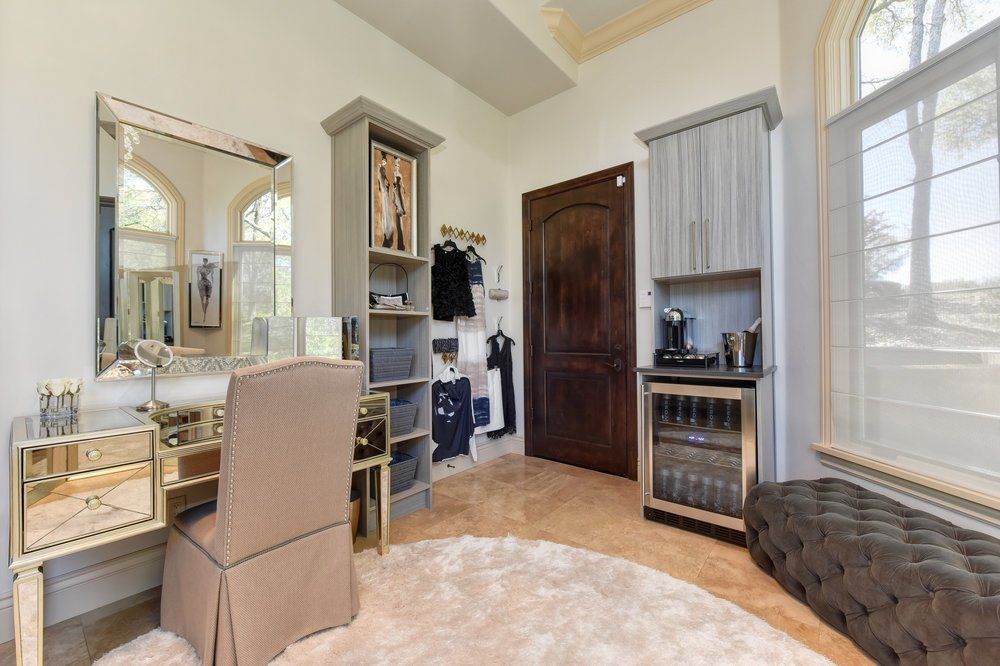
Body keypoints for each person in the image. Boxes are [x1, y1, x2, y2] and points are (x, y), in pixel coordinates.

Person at [376, 152, 394, 248]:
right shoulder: (381, 169)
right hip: (384, 190)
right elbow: (382, 178)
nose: (384, 162)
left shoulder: (381, 169)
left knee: (386, 209)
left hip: (384, 190)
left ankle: (387, 233)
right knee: (385, 209)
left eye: (385, 161)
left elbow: (381, 179)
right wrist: (386, 183)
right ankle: (387, 232)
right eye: (383, 161)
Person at [391, 160, 408, 251]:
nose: (397, 167)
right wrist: (395, 188)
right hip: (396, 189)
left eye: (398, 166)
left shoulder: (400, 174)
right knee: (398, 200)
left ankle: (402, 209)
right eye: (396, 166)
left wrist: (403, 188)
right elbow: (394, 183)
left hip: (400, 189)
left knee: (401, 199)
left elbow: (402, 183)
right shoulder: (394, 173)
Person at [196, 257, 219, 322]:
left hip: (207, 283)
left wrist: (212, 284)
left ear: (207, 261)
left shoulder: (209, 268)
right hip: (201, 283)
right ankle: (204, 314)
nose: (205, 262)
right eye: (204, 261)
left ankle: (205, 314)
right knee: (202, 299)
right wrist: (198, 283)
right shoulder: (200, 267)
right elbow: (197, 277)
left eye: (206, 261)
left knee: (207, 299)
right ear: (203, 261)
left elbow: (212, 276)